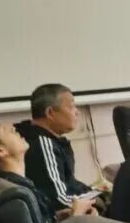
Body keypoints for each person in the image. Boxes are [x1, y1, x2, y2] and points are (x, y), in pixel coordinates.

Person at [0, 115, 95, 223]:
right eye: (2, 128)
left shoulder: (11, 187)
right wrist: (77, 217)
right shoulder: (20, 196)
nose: (13, 128)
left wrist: (57, 218)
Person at [15, 84, 94, 213]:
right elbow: (58, 200)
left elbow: (69, 183)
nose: (77, 112)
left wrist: (94, 192)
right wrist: (94, 199)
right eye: (71, 107)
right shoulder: (42, 144)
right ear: (50, 113)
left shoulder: (51, 140)